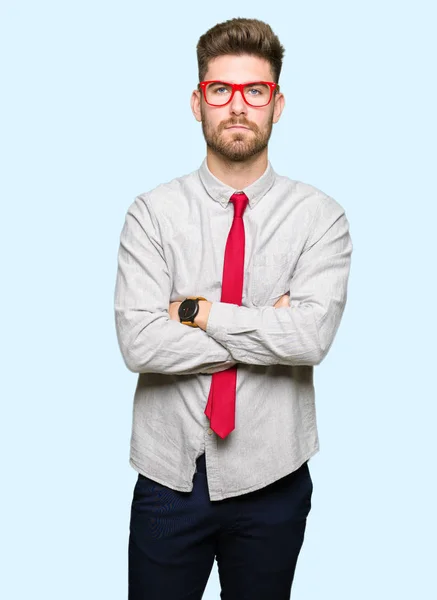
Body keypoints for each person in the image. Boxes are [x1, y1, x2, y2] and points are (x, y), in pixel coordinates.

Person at [114, 17, 353, 600]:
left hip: (273, 476)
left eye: (255, 91)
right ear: (198, 102)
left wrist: (199, 311)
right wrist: (266, 325)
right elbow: (139, 343)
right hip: (170, 481)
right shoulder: (151, 214)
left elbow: (310, 339)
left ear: (278, 103)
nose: (238, 107)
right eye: (221, 90)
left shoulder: (320, 219)